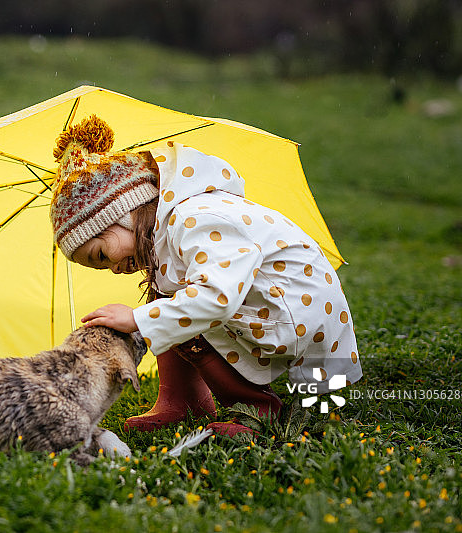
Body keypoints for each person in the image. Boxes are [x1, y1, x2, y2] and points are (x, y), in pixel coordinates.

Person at [50, 115, 362, 436]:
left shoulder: (195, 219)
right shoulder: (169, 233)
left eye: (102, 254)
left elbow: (218, 298)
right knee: (167, 295)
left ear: (123, 213)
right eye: (103, 267)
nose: (114, 269)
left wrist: (139, 320)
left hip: (292, 317)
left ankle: (256, 408)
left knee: (179, 304)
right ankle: (183, 400)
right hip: (263, 309)